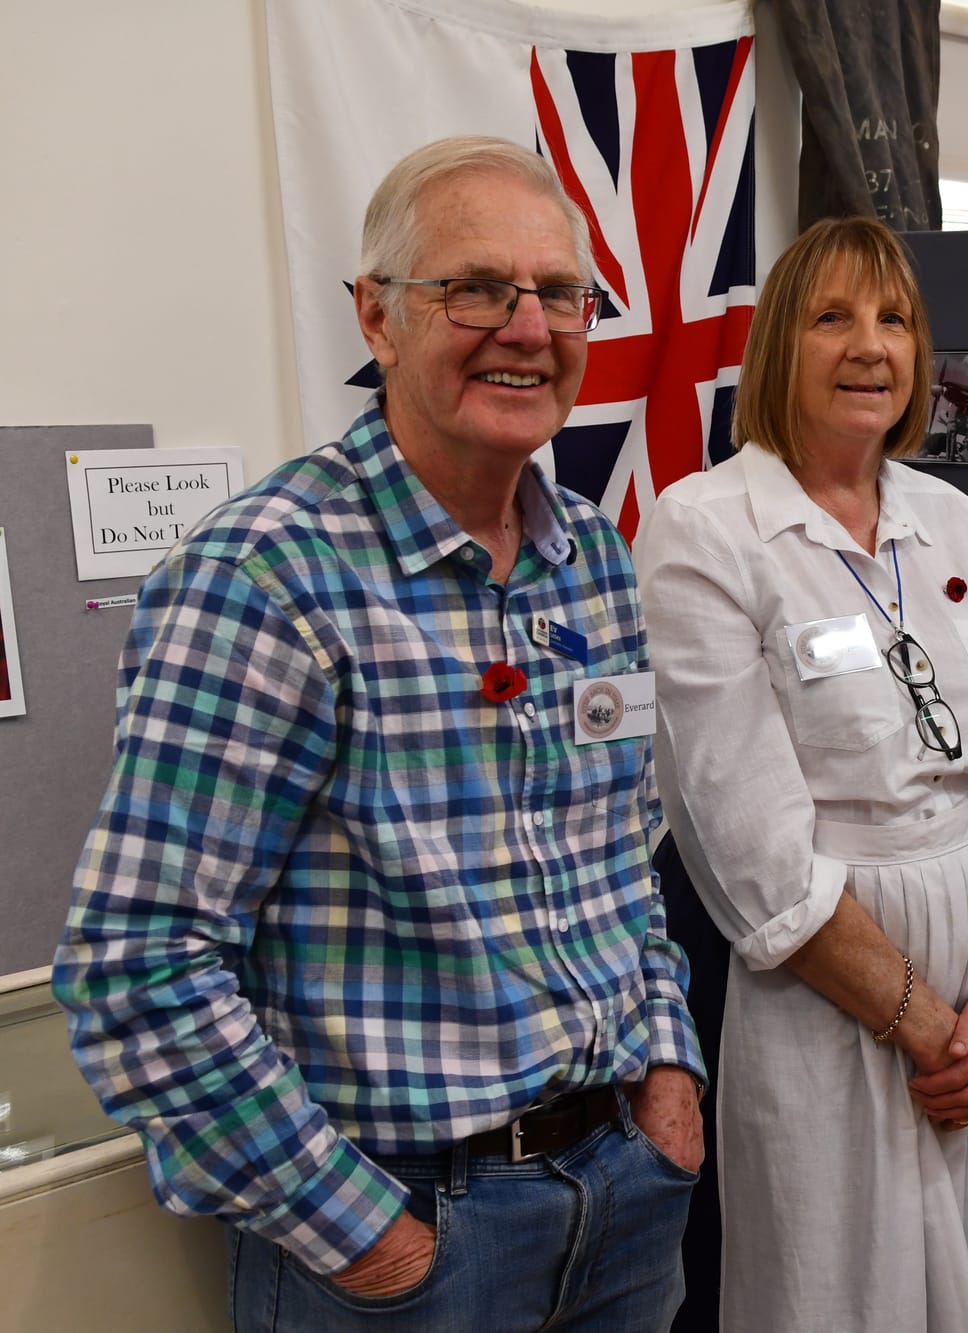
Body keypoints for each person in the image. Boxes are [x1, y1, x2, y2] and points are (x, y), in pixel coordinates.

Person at [51, 138, 707, 1330]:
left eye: (559, 292)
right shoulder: (268, 578)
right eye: (474, 288)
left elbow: (622, 864)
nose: (526, 326)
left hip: (622, 1199)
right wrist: (368, 1239)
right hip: (414, 1235)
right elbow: (138, 966)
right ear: (378, 317)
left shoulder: (592, 565)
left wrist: (668, 1079)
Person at [634, 215, 968, 1331]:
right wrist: (930, 1028)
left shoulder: (955, 521)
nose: (869, 345)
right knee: (832, 1295)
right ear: (779, 344)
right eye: (832, 317)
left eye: (894, 319)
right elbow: (755, 854)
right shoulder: (705, 529)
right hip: (831, 1002)